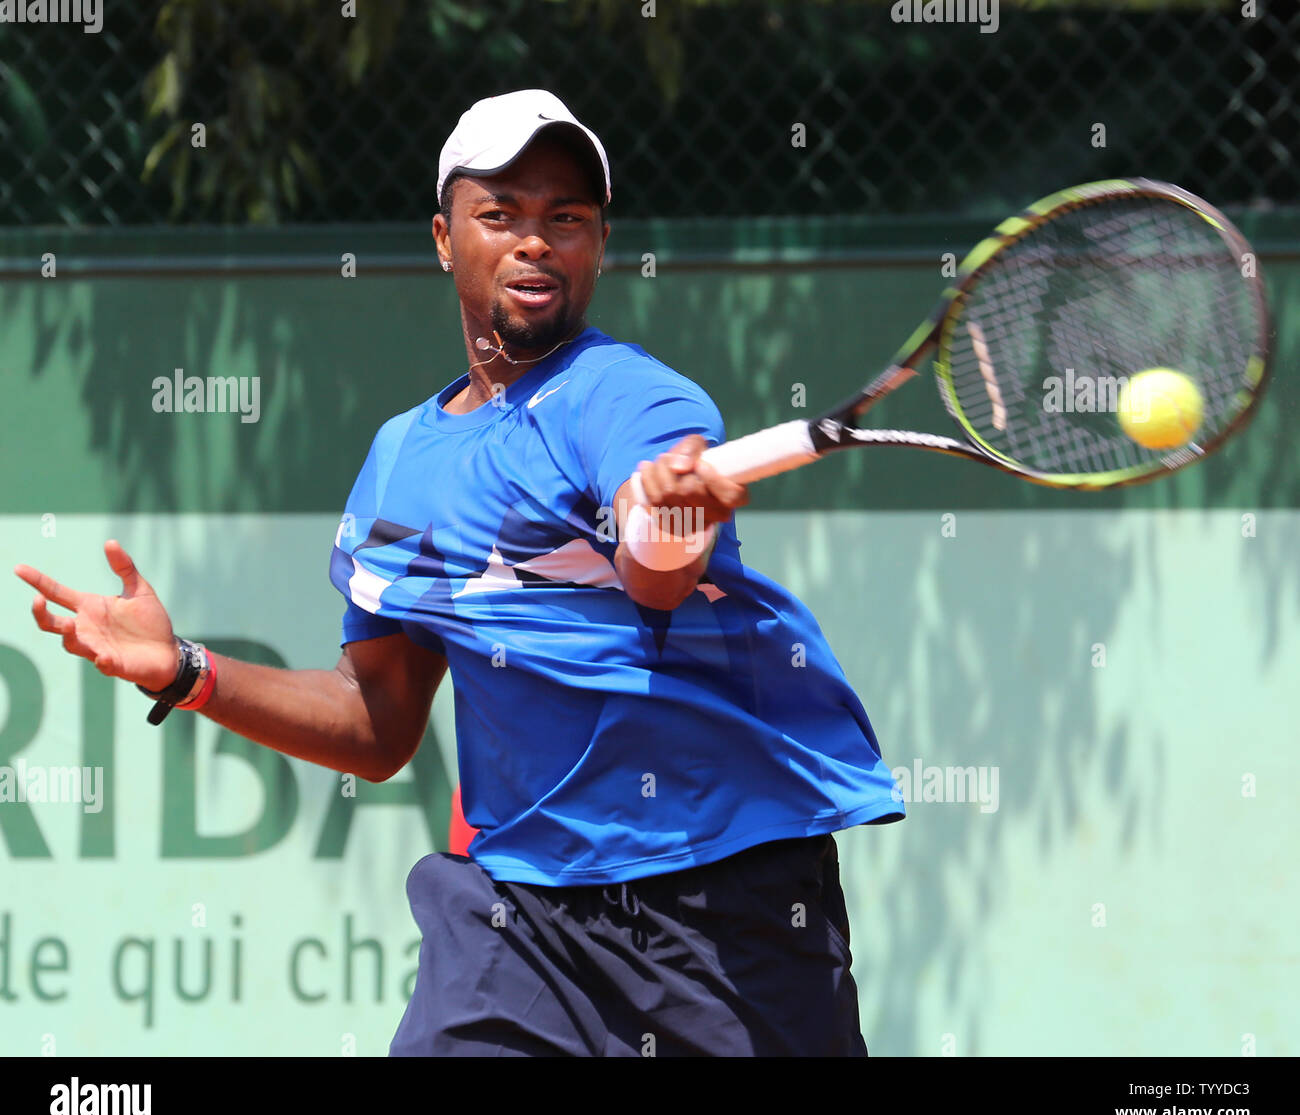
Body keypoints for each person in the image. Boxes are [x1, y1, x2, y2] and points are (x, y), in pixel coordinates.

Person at [14, 89, 903, 1057]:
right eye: (501, 215)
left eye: (566, 219)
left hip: (720, 902)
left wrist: (670, 519)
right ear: (444, 238)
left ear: (599, 245)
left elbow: (654, 575)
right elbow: (376, 720)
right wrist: (187, 670)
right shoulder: (400, 462)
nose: (536, 241)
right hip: (516, 921)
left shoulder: (630, 396)